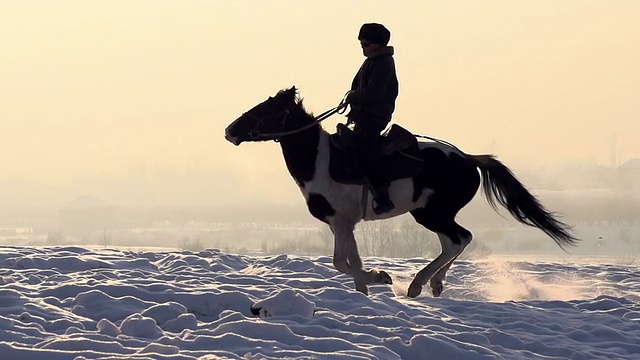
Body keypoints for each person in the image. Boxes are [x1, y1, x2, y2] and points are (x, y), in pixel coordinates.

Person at [344, 23, 399, 215]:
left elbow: (373, 94)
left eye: (366, 43)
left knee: (366, 151)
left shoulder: (382, 62)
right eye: (361, 42)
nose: (362, 45)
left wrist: (353, 97)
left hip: (374, 119)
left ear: (377, 44)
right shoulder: (373, 60)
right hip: (364, 117)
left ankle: (382, 196)